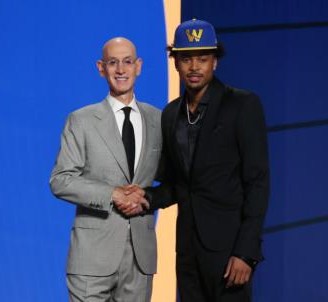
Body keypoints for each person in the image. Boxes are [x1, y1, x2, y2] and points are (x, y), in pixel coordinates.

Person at [127, 19, 270, 301]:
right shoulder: (170, 114)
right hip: (187, 250)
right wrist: (145, 197)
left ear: (214, 62)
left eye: (202, 59)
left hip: (230, 252)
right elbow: (176, 185)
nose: (194, 67)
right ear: (176, 63)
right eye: (186, 59)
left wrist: (246, 252)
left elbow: (258, 183)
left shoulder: (242, 105)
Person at [49, 37, 161, 302]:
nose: (120, 70)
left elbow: (174, 180)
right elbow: (61, 180)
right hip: (91, 258)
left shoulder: (158, 119)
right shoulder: (81, 120)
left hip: (139, 258)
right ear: (101, 68)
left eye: (127, 62)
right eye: (113, 63)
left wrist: (148, 198)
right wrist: (113, 194)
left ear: (139, 66)